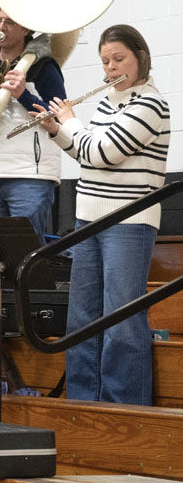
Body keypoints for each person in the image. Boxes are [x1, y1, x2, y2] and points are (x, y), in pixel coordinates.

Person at [35, 24, 169, 406]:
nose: (110, 69)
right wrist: (57, 131)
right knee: (82, 318)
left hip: (128, 223)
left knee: (121, 322)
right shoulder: (110, 101)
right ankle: (84, 403)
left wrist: (71, 120)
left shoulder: (151, 104)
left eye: (118, 59)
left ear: (140, 57)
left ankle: (123, 408)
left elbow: (102, 153)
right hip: (88, 220)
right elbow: (86, 155)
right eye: (106, 62)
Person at [0, 0, 66, 245]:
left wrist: (24, 95)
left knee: (26, 248)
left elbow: (61, 115)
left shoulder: (43, 66)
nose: (2, 26)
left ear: (26, 29)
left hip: (31, 174)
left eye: (10, 22)